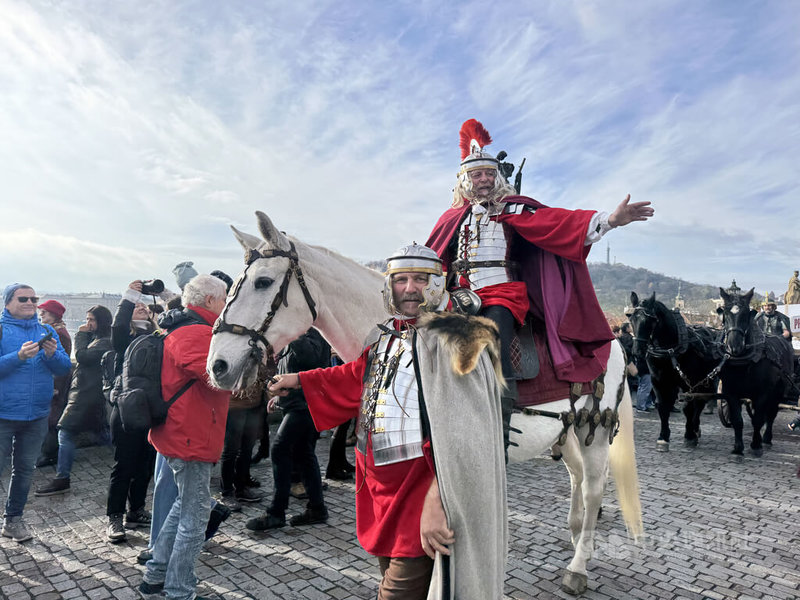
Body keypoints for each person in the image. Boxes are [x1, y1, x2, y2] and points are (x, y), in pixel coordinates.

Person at [265, 244, 507, 599]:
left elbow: (469, 433)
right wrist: (299, 381)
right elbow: (357, 377)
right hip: (380, 494)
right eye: (401, 279)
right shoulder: (383, 335)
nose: (410, 288)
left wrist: (440, 500)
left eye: (420, 279)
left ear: (437, 284)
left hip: (421, 495)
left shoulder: (460, 338)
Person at [426, 118, 654, 453]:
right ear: (464, 180)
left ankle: (498, 429)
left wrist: (609, 220)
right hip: (456, 296)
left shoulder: (515, 208)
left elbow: (561, 223)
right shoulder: (450, 219)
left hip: (500, 295)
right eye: (477, 174)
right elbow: (433, 258)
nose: (485, 179)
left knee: (494, 343)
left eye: (490, 174)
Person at [138, 274, 230, 600]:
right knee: (194, 517)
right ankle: (179, 591)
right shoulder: (198, 333)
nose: (227, 305)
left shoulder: (177, 327)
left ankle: (154, 575)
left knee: (186, 504)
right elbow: (219, 378)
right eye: (224, 299)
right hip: (191, 436)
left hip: (181, 433)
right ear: (209, 301)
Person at [0, 284, 72, 542]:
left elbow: (64, 367)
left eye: (34, 298)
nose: (30, 302)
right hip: (3, 414)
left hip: (37, 415)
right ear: (8, 302)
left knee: (24, 470)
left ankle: (13, 520)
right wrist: (17, 356)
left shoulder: (47, 330)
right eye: (23, 298)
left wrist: (52, 354)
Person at [246, 329, 331, 531]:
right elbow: (289, 372)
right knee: (304, 454)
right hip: (295, 404)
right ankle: (317, 508)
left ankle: (277, 512)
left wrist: (294, 333)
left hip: (306, 406)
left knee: (280, 450)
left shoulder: (313, 333)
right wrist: (278, 396)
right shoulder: (296, 336)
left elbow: (310, 360)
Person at [35, 305, 113, 497]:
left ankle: (62, 478)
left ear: (101, 322)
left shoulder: (105, 342)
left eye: (92, 320)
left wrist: (80, 334)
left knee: (66, 431)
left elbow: (82, 357)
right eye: (86, 320)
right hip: (84, 392)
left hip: (86, 394)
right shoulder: (98, 339)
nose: (87, 324)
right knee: (102, 434)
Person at [104, 281, 159, 542]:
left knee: (146, 465)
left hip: (153, 409)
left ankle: (136, 511)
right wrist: (129, 296)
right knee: (124, 465)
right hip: (126, 409)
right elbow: (117, 325)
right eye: (135, 307)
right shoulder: (123, 340)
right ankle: (115, 516)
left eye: (143, 305)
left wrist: (160, 299)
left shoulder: (160, 337)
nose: (140, 307)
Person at [35, 299, 73, 468]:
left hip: (55, 385)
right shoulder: (53, 331)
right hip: (50, 382)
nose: (41, 314)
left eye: (44, 311)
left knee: (52, 420)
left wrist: (55, 387)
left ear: (54, 315)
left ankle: (50, 454)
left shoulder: (60, 334)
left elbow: (62, 363)